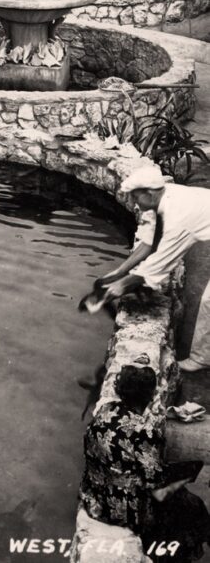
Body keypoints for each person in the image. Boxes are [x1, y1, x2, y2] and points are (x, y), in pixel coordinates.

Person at [79, 364, 208, 556]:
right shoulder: (145, 432)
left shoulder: (105, 411)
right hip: (125, 510)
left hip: (95, 497)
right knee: (192, 502)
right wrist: (186, 472)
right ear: (148, 396)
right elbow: (155, 483)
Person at [96, 166, 210, 372]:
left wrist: (120, 286)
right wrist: (120, 271)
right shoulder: (163, 198)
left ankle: (201, 358)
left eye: (134, 198)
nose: (132, 204)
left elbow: (159, 264)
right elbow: (149, 242)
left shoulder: (179, 216)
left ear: (149, 193)